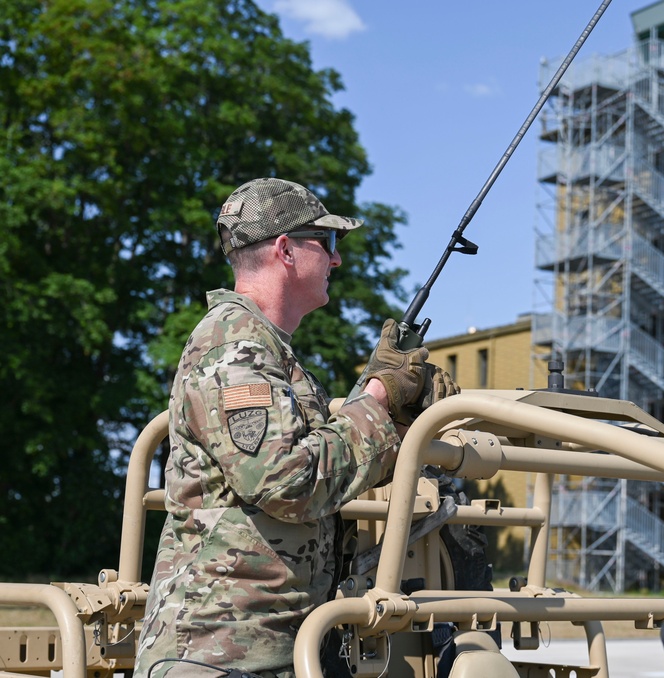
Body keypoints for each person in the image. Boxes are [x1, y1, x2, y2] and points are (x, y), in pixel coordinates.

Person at [134, 178, 455, 677]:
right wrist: (376, 397)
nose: (337, 260)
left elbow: (320, 461)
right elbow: (286, 480)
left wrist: (393, 411)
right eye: (327, 243)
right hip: (221, 651)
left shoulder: (266, 351)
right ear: (285, 250)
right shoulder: (232, 346)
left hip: (264, 647)